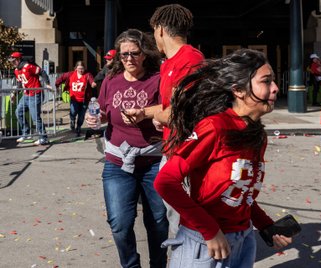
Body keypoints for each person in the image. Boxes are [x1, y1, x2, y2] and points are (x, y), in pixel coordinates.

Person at [154, 49, 293, 267]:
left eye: (273, 81)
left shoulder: (257, 134)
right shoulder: (215, 127)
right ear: (238, 90)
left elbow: (241, 190)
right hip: (204, 244)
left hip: (243, 240)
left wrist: (265, 225)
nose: (275, 88)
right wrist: (209, 230)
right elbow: (165, 182)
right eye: (266, 81)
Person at [85, 29, 169, 268]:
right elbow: (102, 112)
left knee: (159, 222)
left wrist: (154, 117)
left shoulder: (158, 78)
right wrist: (95, 120)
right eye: (124, 55)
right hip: (117, 162)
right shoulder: (111, 80)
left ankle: (158, 265)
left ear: (144, 54)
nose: (129, 58)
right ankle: (130, 266)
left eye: (135, 53)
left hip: (153, 161)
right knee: (120, 223)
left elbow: (169, 110)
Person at [122, 4, 205, 236]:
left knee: (185, 224)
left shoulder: (191, 60)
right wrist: (145, 112)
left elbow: (180, 113)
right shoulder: (168, 62)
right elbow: (169, 108)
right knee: (173, 218)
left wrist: (160, 116)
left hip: (186, 153)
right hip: (171, 149)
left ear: (159, 30)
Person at [8, 51, 52, 145]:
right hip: (26, 95)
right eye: (11, 61)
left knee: (35, 117)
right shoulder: (16, 70)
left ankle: (43, 138)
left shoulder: (28, 66)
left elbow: (42, 72)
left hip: (35, 94)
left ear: (19, 60)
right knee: (18, 112)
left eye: (14, 61)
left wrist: (47, 83)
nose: (12, 63)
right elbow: (20, 83)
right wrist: (14, 94)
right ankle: (26, 133)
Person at [55, 61, 95, 136]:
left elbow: (91, 80)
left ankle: (79, 127)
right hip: (74, 98)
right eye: (79, 68)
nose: (81, 70)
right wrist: (57, 84)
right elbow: (62, 77)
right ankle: (72, 120)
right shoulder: (70, 74)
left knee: (81, 115)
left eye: (82, 69)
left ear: (84, 68)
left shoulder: (87, 75)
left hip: (84, 99)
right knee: (73, 111)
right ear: (76, 68)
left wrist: (93, 83)